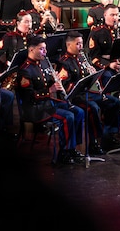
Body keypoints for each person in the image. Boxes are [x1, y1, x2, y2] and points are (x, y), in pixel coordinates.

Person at [15, 35, 86, 165]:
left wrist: (56, 79)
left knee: (78, 111)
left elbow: (48, 81)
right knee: (67, 117)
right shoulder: (25, 71)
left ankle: (72, 148)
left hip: (48, 104)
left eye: (45, 49)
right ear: (31, 50)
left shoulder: (43, 62)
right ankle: (63, 153)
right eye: (41, 49)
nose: (45, 52)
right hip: (35, 109)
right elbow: (29, 97)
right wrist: (50, 90)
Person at [56, 30, 117, 154]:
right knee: (92, 108)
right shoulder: (64, 62)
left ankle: (109, 135)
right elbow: (65, 87)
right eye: (78, 44)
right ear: (69, 45)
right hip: (76, 97)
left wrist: (94, 74)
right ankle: (93, 142)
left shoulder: (83, 57)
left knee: (113, 102)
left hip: (89, 93)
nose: (81, 47)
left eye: (81, 44)